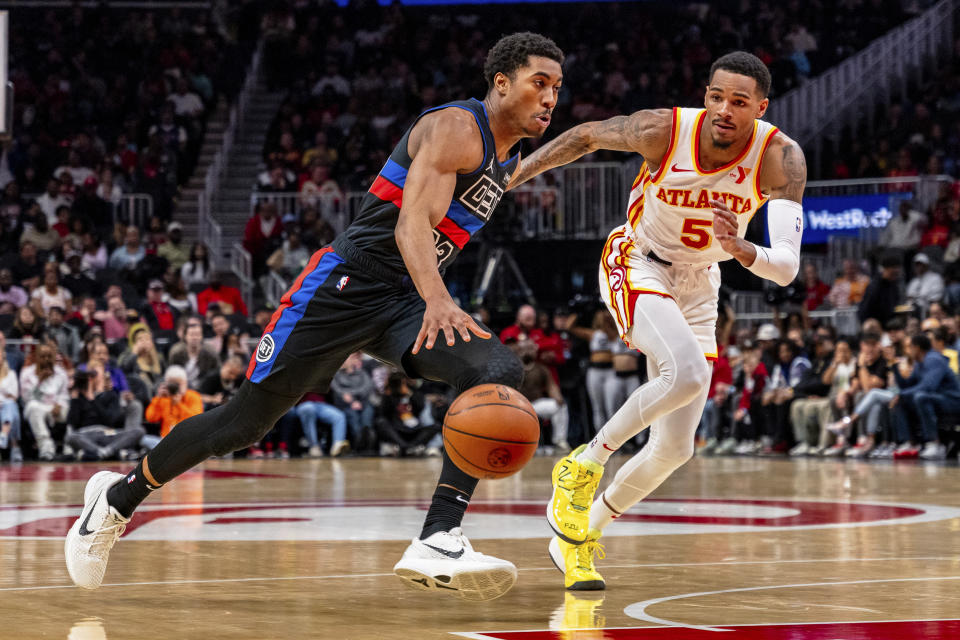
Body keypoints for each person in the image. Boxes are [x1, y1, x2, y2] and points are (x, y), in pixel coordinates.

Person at [65, 32, 564, 600]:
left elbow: (554, 154)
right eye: (539, 83)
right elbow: (409, 227)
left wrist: (605, 137)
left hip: (402, 300)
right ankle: (114, 500)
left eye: (557, 88)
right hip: (345, 287)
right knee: (243, 425)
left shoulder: (509, 153)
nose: (550, 98)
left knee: (496, 369)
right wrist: (439, 300)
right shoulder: (455, 128)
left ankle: (438, 535)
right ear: (501, 83)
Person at [512, 51, 805, 590]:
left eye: (739, 102)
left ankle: (578, 539)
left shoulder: (779, 157)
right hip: (638, 259)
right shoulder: (664, 129)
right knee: (688, 373)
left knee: (675, 448)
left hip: (701, 282)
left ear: (760, 107)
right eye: (716, 96)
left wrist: (743, 250)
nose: (723, 109)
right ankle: (582, 464)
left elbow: (786, 269)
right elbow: (587, 137)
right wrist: (519, 172)